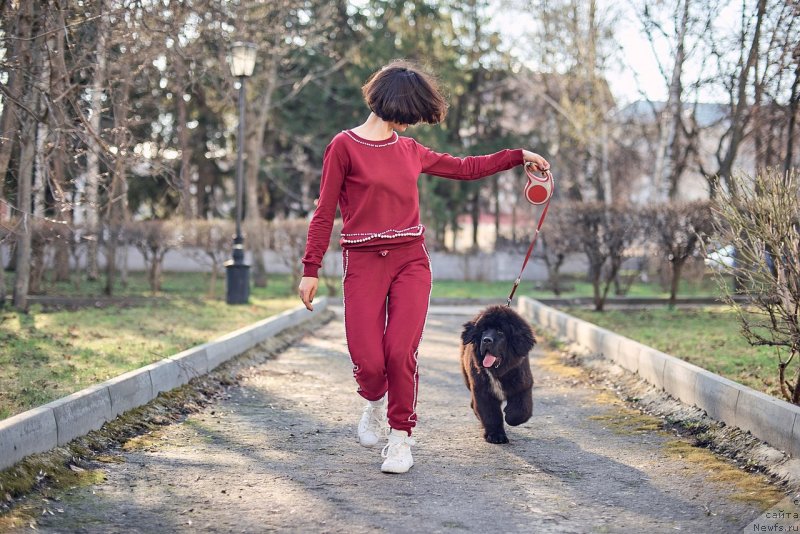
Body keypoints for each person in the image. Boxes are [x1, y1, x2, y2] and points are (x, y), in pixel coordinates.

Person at [298, 59, 550, 474]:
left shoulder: (410, 150)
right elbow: (323, 211)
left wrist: (518, 156)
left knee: (400, 353)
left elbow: (466, 168)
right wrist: (310, 268)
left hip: (410, 262)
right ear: (391, 103)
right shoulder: (343, 146)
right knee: (369, 360)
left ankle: (400, 439)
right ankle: (374, 403)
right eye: (409, 113)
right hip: (362, 262)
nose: (411, 124)